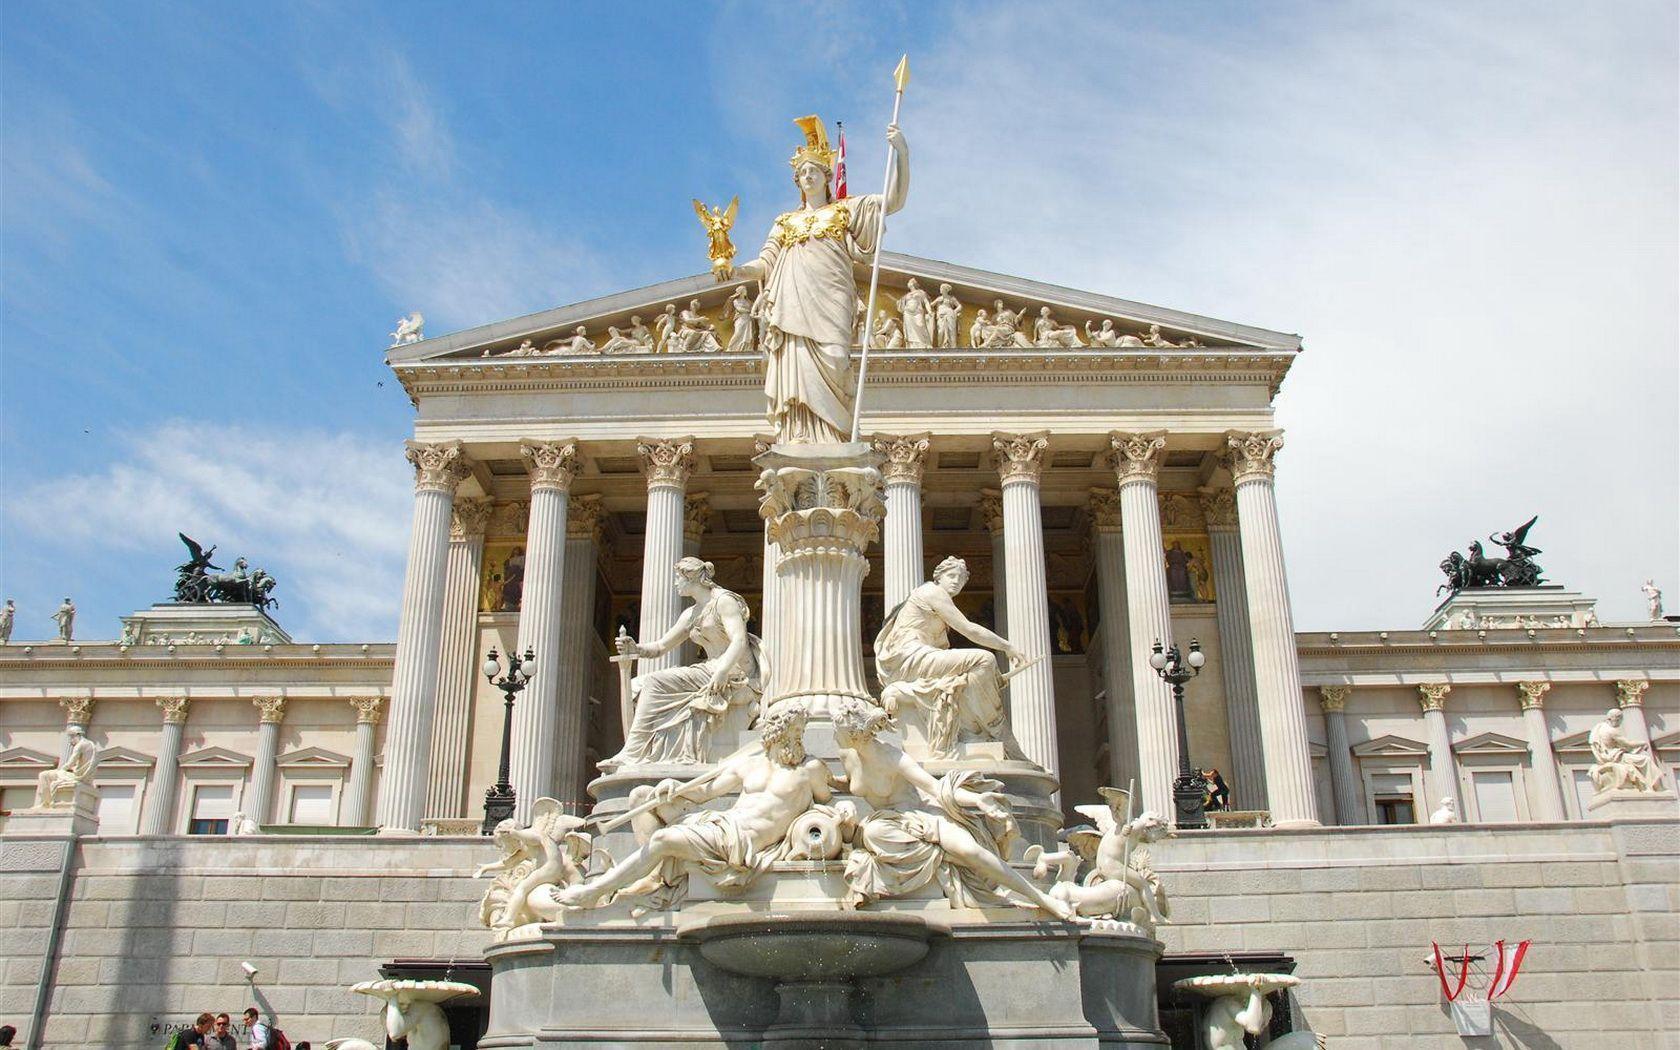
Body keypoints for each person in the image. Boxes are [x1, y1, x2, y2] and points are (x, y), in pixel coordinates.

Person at [729, 115, 909, 444]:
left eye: (813, 170)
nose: (807, 176)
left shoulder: (844, 211)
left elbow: (893, 201)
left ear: (827, 175)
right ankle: (801, 435)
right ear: (797, 182)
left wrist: (901, 153)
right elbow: (765, 263)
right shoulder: (784, 223)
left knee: (837, 360)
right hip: (792, 307)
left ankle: (832, 438)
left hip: (832, 302)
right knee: (797, 372)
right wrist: (736, 271)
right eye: (801, 173)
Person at [558, 702, 829, 910]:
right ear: (776, 732)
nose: (798, 738)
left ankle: (594, 891)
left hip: (740, 843)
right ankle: (654, 879)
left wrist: (841, 813)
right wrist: (672, 786)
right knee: (643, 796)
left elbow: (828, 802)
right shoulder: (749, 764)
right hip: (722, 825)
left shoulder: (810, 769)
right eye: (794, 731)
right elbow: (704, 793)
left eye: (800, 732)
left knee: (664, 838)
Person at [831, 697, 1075, 919]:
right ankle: (943, 857)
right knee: (873, 832)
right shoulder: (848, 755)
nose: (834, 735)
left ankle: (1041, 898)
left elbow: (936, 789)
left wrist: (978, 800)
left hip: (920, 813)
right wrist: (828, 782)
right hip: (886, 822)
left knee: (971, 851)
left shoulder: (893, 757)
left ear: (855, 734)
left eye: (837, 730)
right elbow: (852, 784)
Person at [601, 557, 765, 768]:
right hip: (710, 668)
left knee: (654, 683)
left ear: (691, 577)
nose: (675, 583)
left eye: (678, 577)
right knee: (638, 685)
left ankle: (632, 752)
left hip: (735, 671)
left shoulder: (724, 601)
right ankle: (646, 752)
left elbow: (740, 640)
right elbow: (661, 647)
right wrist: (636, 649)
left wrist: (722, 671)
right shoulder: (691, 614)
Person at [874, 557, 1027, 759]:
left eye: (961, 579)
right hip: (910, 658)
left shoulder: (935, 599)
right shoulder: (932, 592)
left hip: (917, 657)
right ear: (939, 577)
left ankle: (974, 731)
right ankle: (992, 726)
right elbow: (968, 629)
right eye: (951, 576)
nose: (956, 581)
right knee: (984, 659)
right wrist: (1007, 646)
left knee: (971, 677)